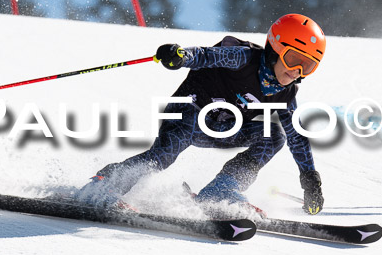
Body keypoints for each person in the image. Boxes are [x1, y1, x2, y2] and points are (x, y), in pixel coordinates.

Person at [75, 13, 326, 215]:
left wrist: (310, 180)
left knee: (275, 136)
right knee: (164, 154)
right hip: (186, 114)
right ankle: (105, 184)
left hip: (220, 129)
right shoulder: (244, 58)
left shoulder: (285, 94)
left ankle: (222, 189)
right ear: (275, 48)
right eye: (293, 59)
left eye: (308, 66)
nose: (297, 71)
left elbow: (297, 137)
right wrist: (181, 57)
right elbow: (206, 55)